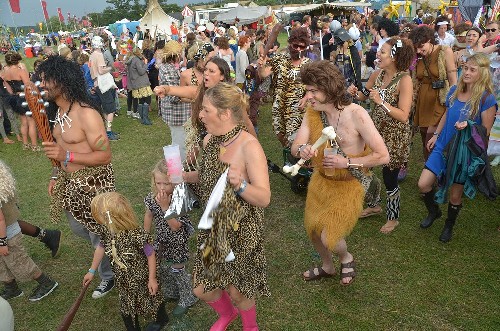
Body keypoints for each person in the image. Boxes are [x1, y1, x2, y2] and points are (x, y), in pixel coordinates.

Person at [182, 82, 271, 330]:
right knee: (201, 288)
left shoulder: (249, 146)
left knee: (238, 290)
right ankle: (227, 314)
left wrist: (241, 185)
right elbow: (210, 176)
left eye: (206, 110)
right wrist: (187, 177)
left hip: (241, 231)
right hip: (213, 226)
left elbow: (264, 197)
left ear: (225, 114)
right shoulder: (210, 139)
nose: (200, 114)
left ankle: (250, 326)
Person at [292, 60, 389, 284]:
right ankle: (328, 266)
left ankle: (346, 257)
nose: (308, 96)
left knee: (330, 237)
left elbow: (383, 155)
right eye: (307, 91)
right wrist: (303, 149)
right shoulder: (312, 113)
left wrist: (346, 162)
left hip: (349, 183)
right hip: (321, 181)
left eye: (313, 91)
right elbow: (297, 146)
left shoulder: (357, 114)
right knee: (314, 230)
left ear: (329, 88)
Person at [37, 55, 116, 300]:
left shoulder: (86, 114)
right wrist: (55, 173)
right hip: (71, 184)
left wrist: (66, 155)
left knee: (98, 234)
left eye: (47, 80)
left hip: (95, 184)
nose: (43, 86)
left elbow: (104, 156)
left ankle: (109, 276)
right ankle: (113, 253)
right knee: (79, 228)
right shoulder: (56, 113)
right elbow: (58, 150)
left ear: (63, 81)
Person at [418, 53, 497, 242]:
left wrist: (468, 125)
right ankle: (434, 211)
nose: (466, 73)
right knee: (423, 184)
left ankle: (449, 225)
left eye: (472, 70)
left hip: (463, 152)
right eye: (466, 68)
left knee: (455, 196)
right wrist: (436, 135)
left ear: (482, 73)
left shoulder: (486, 99)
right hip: (443, 146)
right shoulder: (454, 90)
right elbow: (446, 114)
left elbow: (485, 131)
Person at [348, 37, 414, 233]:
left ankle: (393, 217)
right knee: (365, 168)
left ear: (394, 56)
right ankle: (374, 205)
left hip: (395, 136)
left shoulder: (405, 80)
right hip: (374, 132)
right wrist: (355, 93)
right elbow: (363, 96)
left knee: (389, 177)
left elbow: (403, 116)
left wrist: (381, 102)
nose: (377, 53)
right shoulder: (376, 75)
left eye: (383, 51)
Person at [84, 192, 168, 331]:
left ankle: (161, 319)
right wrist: (91, 271)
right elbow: (101, 247)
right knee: (126, 305)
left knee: (152, 297)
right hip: (123, 278)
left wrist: (152, 278)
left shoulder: (135, 233)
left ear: (110, 217)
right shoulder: (106, 230)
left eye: (97, 214)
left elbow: (151, 254)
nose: (95, 217)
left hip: (142, 276)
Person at [144, 160, 197, 316]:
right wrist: (146, 236)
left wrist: (165, 207)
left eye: (166, 184)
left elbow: (175, 226)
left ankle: (187, 298)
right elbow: (148, 215)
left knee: (178, 269)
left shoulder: (179, 199)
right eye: (158, 183)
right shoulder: (151, 198)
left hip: (177, 240)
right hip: (162, 239)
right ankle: (173, 292)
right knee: (164, 267)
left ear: (174, 182)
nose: (161, 187)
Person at [0, 160, 58, 301]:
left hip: (6, 235)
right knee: (2, 264)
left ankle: (46, 283)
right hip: (4, 233)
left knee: (18, 261)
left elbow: (0, 220)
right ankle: (11, 288)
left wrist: (2, 242)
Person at [409, 25, 457, 160]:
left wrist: (452, 100)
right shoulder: (417, 56)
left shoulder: (444, 51)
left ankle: (434, 170)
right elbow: (414, 78)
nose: (419, 50)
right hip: (423, 100)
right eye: (416, 47)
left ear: (430, 40)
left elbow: (453, 79)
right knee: (425, 135)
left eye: (421, 46)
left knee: (432, 134)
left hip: (439, 97)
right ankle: (430, 167)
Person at [258, 27, 311, 147]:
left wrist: (307, 97)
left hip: (298, 111)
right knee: (283, 140)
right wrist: (261, 66)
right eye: (295, 46)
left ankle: (298, 163)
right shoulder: (279, 60)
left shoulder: (308, 65)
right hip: (279, 109)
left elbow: (314, 87)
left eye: (302, 47)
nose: (298, 49)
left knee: (296, 142)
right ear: (290, 44)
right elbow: (263, 74)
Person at [158, 41, 191, 160]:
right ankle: (180, 171)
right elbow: (174, 95)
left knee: (181, 142)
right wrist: (192, 95)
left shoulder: (171, 67)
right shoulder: (167, 69)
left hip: (179, 113)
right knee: (180, 145)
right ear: (176, 54)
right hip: (176, 113)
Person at [1, 52, 40, 150]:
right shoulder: (20, 71)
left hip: (14, 99)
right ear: (17, 60)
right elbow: (28, 86)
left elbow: (9, 90)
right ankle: (34, 146)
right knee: (31, 122)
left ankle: (25, 144)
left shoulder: (4, 73)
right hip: (25, 97)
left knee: (23, 122)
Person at [89, 36, 119, 141]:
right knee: (110, 109)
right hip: (103, 84)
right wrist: (111, 67)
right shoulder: (99, 54)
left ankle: (108, 129)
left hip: (97, 83)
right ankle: (109, 131)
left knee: (106, 109)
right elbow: (101, 71)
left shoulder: (91, 55)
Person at [126, 46, 153, 125]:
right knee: (147, 100)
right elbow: (141, 71)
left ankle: (143, 118)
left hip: (136, 83)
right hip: (142, 83)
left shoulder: (131, 60)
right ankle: (145, 118)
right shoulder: (136, 60)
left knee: (141, 101)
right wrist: (145, 64)